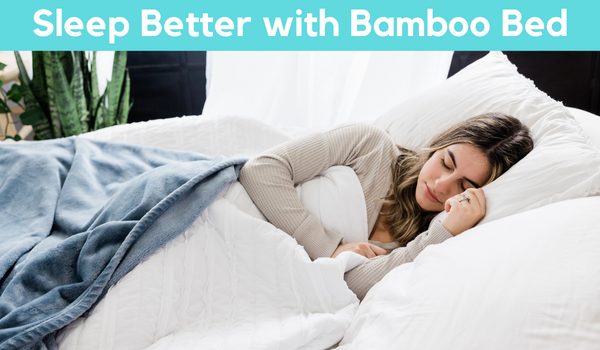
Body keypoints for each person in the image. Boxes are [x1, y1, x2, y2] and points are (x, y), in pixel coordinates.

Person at [239, 113, 534, 300]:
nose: (442, 185)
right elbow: (260, 170)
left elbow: (352, 284)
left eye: (464, 186)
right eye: (445, 162)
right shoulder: (370, 145)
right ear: (438, 145)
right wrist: (328, 249)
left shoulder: (431, 238)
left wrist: (442, 233)